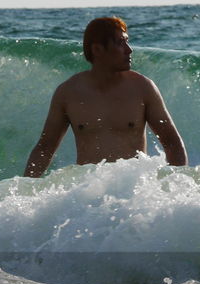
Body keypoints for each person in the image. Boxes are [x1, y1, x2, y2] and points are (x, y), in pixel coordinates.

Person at [22, 16, 188, 177]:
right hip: (88, 190)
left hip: (133, 191)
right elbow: (45, 148)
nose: (129, 49)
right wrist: (26, 191)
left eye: (127, 41)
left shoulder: (143, 88)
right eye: (120, 43)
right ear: (97, 49)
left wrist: (176, 186)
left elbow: (172, 142)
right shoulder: (68, 93)